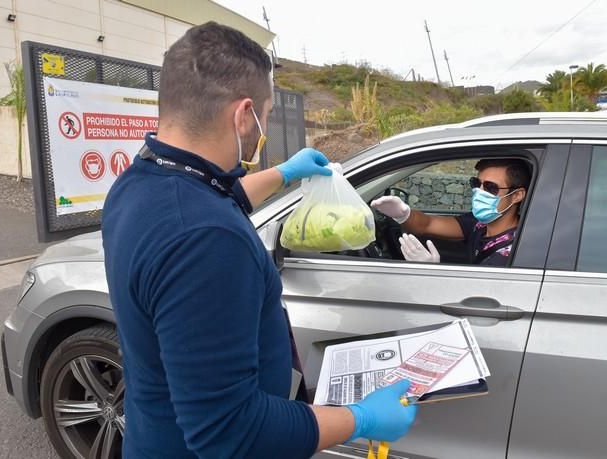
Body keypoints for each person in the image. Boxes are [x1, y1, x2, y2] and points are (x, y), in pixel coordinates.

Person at [102, 22, 416, 459]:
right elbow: (231, 432)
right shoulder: (206, 240)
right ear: (243, 115)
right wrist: (360, 418)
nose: (262, 128)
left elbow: (210, 200)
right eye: (266, 115)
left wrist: (285, 173)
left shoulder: (141, 182)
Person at [371, 158, 530, 266]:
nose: (479, 192)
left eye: (490, 187)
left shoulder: (512, 252)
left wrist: (432, 273)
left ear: (516, 195)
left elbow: (479, 299)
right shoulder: (479, 224)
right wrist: (403, 214)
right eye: (476, 183)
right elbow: (428, 224)